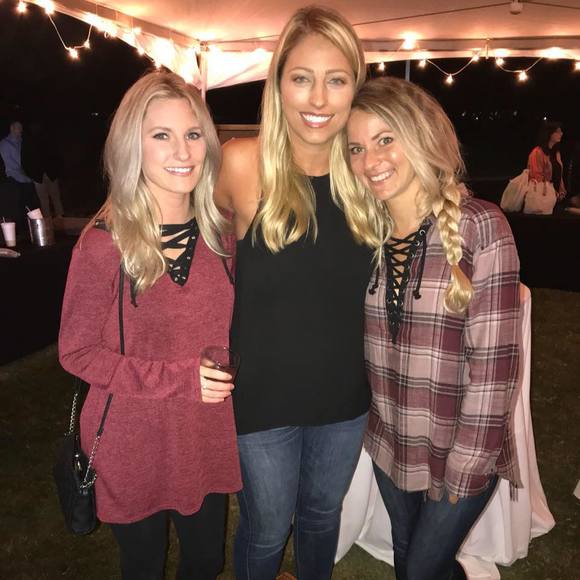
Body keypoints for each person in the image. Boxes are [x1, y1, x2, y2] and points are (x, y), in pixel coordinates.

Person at [59, 72, 241, 580]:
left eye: (193, 133)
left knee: (206, 562)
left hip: (202, 433)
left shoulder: (224, 234)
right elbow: (76, 352)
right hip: (131, 438)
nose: (182, 151)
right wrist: (180, 378)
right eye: (162, 135)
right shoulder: (104, 243)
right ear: (131, 146)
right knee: (143, 566)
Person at [215, 6, 372, 579]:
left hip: (344, 396)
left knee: (321, 517)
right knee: (265, 530)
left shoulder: (370, 177)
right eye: (302, 77)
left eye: (337, 80)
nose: (319, 99)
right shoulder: (242, 164)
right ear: (278, 83)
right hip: (261, 396)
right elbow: (167, 208)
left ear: (356, 87)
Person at [345, 77, 522, 580]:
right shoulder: (366, 234)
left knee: (419, 571)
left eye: (386, 139)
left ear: (421, 136)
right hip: (390, 443)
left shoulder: (480, 226)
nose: (370, 160)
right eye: (356, 148)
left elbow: (495, 369)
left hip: (461, 449)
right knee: (412, 558)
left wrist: (466, 468)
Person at [527, 121, 567, 200]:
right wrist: (551, 191)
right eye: (558, 131)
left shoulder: (556, 153)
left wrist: (562, 191)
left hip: (556, 198)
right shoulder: (537, 152)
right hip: (542, 198)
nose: (561, 133)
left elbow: (559, 175)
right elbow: (536, 176)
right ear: (549, 133)